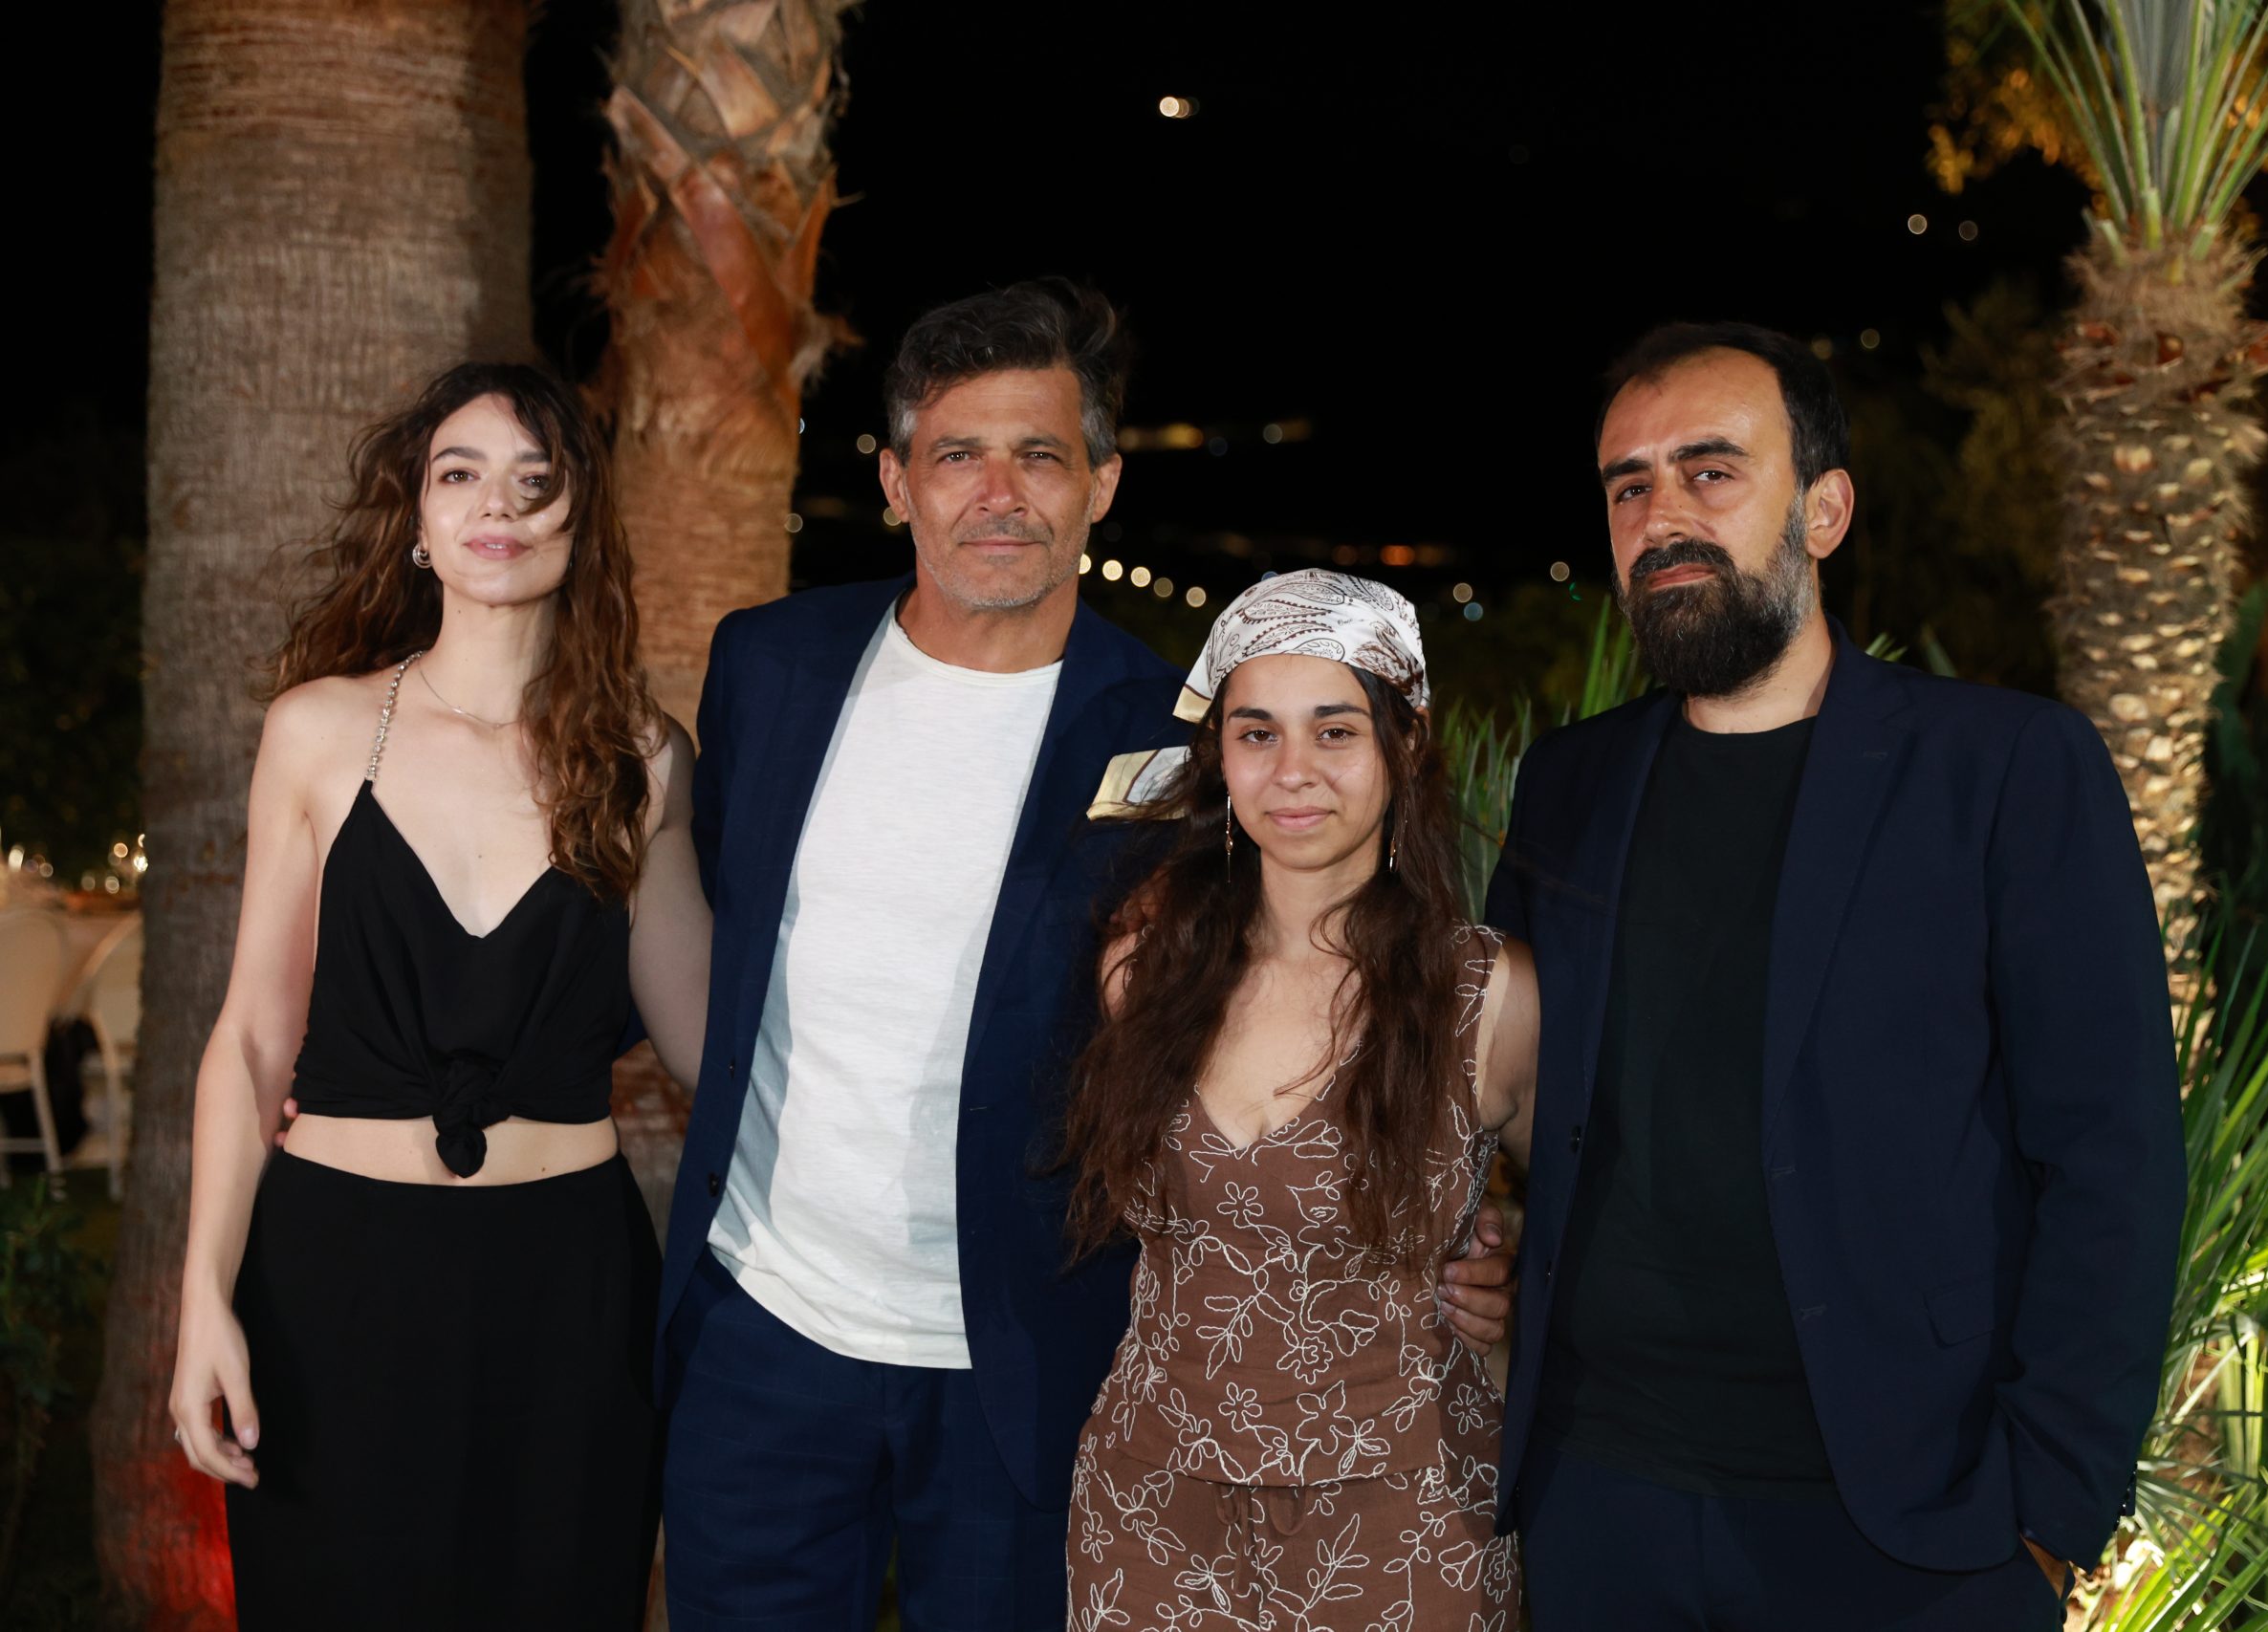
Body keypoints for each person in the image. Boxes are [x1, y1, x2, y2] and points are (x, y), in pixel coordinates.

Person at [657, 281, 1516, 1631]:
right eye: (958, 453)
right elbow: (711, 923)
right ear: (895, 480)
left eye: (1041, 455)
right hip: (765, 1337)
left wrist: (1469, 1215)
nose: (1000, 493)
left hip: (1028, 1359)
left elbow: (1305, 978)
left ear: (1101, 484)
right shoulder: (770, 664)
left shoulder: (1179, 737)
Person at [1486, 321, 2185, 1630]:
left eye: (1710, 471)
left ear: (1825, 509)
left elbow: (2115, 1154)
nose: (1661, 516)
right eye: (1628, 486)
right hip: (1604, 1497)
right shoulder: (1569, 785)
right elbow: (1530, 1100)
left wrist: (2047, 1514)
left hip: (1910, 1525)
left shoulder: (2003, 771)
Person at [169, 361, 711, 1627]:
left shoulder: (644, 758)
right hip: (332, 1284)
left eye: (536, 479)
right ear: (418, 519)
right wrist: (202, 1298)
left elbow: (709, 1043)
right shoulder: (318, 729)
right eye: (459, 473)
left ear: (580, 520)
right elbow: (251, 1037)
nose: (496, 505)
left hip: (567, 1298)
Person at [1060, 569, 1537, 1631]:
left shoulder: (1487, 996)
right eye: (1256, 733)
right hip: (1151, 1515)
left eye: (1334, 731)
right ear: (1218, 755)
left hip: (1407, 1524)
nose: (1292, 771)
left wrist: (1508, 1273)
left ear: (1403, 746)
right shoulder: (1144, 966)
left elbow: (1607, 1225)